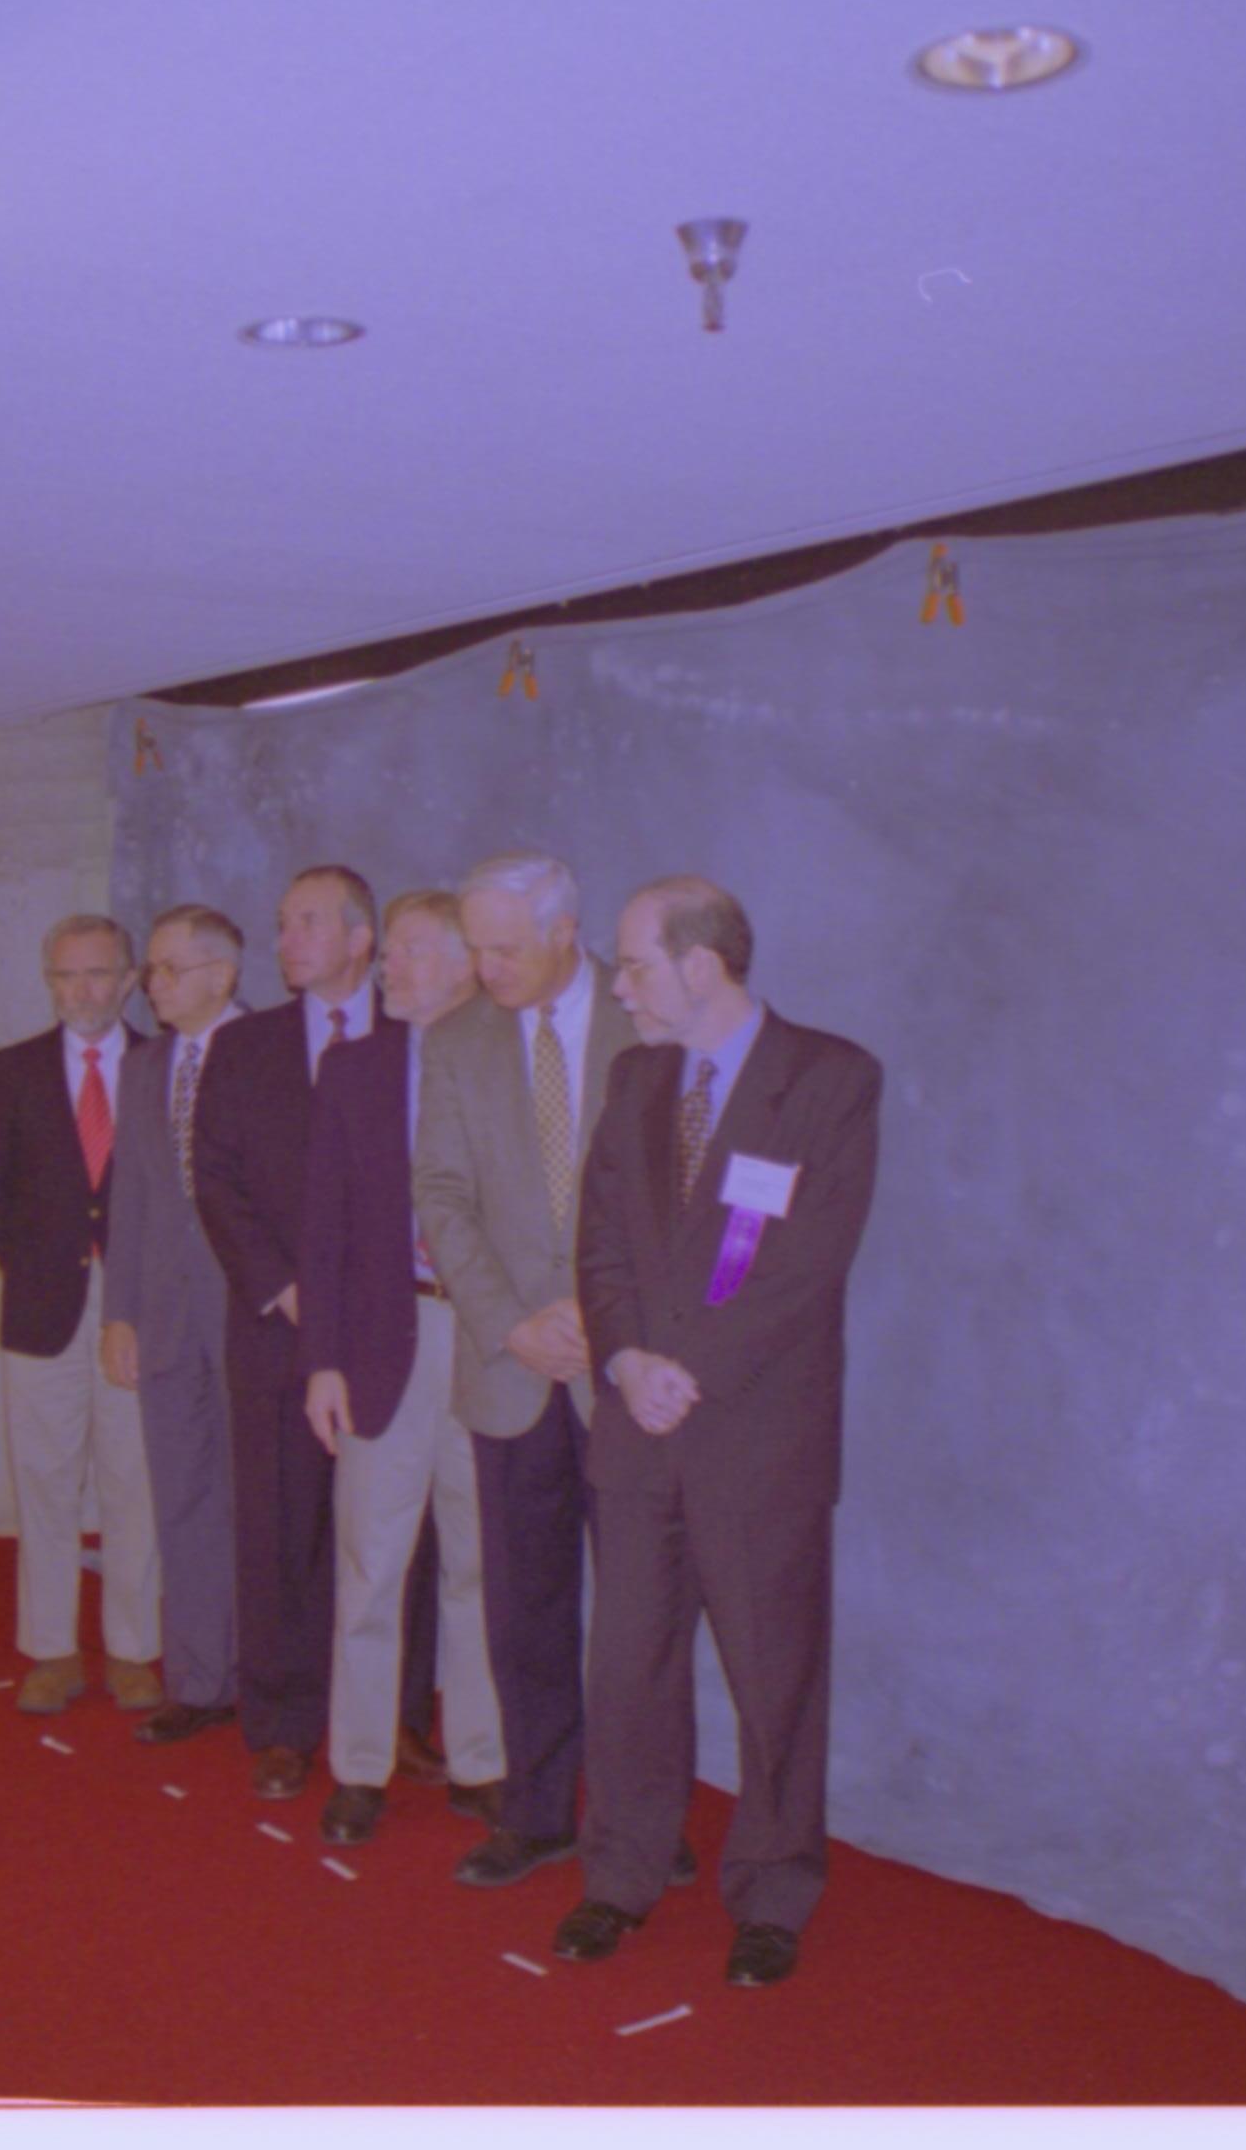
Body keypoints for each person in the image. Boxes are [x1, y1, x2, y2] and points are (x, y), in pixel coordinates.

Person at [551, 878, 881, 1991]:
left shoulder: (830, 1078)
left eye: (635, 965)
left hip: (758, 1439)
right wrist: (626, 1361)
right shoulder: (635, 1078)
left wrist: (691, 1373)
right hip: (639, 1429)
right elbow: (598, 1247)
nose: (620, 986)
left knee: (773, 1676)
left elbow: (807, 1264)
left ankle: (776, 1889)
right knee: (629, 1670)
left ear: (702, 966)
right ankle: (624, 1874)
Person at [413, 852, 640, 1889]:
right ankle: (540, 1809)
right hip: (511, 1374)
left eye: (505, 947)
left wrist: (606, 1316)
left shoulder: (650, 1023)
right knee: (523, 1609)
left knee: (641, 1615)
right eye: (475, 944)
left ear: (566, 932)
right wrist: (511, 1325)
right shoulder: (456, 1040)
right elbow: (443, 1197)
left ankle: (642, 1820)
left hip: (625, 1365)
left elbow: (686, 1192)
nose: (485, 965)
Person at [299, 888, 506, 1846]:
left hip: (492, 1343)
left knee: (480, 1562)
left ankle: (480, 1759)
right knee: (370, 1563)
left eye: (415, 950)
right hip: (387, 1343)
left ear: (468, 962)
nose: (391, 965)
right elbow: (324, 1227)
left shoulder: (513, 1061)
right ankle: (360, 1766)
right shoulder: (353, 1069)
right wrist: (323, 1362)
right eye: (393, 953)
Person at [189, 865, 380, 1801]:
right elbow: (213, 1181)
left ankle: (394, 1721)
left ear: (361, 936)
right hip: (275, 1333)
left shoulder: (418, 1034)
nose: (288, 939)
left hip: (392, 1338)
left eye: (308, 922)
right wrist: (287, 1289)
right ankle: (281, 1722)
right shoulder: (245, 1048)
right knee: (278, 1533)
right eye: (281, 924)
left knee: (393, 1540)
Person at [0, 915, 161, 1715]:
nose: (80, 991)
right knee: (44, 1483)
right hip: (43, 1310)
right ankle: (51, 1650)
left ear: (128, 980)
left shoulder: (162, 1064)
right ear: (49, 983)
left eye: (96, 975)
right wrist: (43, 1269)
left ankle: (133, 1650)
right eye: (64, 977)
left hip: (139, 1312)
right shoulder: (14, 1069)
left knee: (134, 1484)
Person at [101, 906, 246, 1746]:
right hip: (164, 1315)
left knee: (260, 1505)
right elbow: (133, 1200)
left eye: (168, 969)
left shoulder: (270, 1055)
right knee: (182, 1497)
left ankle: (269, 1677)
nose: (152, 984)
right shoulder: (146, 1067)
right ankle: (198, 1678)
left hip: (250, 1314)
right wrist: (120, 1311)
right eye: (151, 969)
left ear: (222, 976)